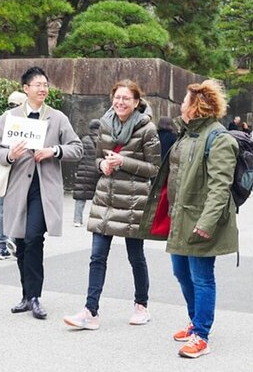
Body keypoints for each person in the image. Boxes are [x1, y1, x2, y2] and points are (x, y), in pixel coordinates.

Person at [139, 79, 238, 359]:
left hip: (202, 221)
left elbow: (220, 187)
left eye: (184, 101)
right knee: (181, 273)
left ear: (196, 106)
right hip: (180, 218)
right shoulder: (187, 135)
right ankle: (195, 321)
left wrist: (206, 223)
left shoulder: (220, 139)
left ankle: (202, 334)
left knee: (202, 277)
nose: (180, 105)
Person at [64, 80, 160, 331]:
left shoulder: (147, 129)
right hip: (105, 197)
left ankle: (141, 305)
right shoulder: (105, 124)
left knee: (135, 256)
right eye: (117, 97)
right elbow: (97, 159)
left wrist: (123, 162)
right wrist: (102, 166)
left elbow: (155, 168)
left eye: (126, 98)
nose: (120, 102)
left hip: (133, 200)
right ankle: (90, 311)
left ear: (136, 102)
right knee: (97, 256)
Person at [0, 67, 83, 320]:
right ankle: (25, 295)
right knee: (20, 241)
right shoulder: (9, 118)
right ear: (26, 89)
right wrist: (10, 155)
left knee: (33, 238)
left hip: (44, 190)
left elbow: (77, 148)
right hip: (17, 188)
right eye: (37, 84)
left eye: (45, 84)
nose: (43, 89)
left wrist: (53, 151)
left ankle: (35, 297)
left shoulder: (57, 118)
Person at [0, 91, 26, 259]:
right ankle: (15, 241)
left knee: (0, 207)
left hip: (1, 167)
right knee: (19, 207)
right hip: (19, 169)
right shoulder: (24, 122)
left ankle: (2, 245)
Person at [72, 118, 101, 227]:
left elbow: (78, 156)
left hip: (84, 171)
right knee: (98, 197)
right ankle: (94, 219)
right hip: (98, 171)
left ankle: (77, 220)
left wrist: (77, 170)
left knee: (81, 196)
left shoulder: (84, 139)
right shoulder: (103, 140)